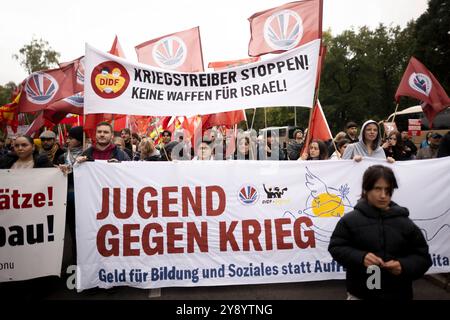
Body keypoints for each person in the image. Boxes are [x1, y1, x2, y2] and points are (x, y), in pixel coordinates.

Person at [328, 165, 432, 300]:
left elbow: (423, 258)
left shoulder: (405, 223)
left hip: (399, 293)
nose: (383, 195)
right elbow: (336, 247)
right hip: (361, 294)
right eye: (378, 189)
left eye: (388, 190)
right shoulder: (350, 221)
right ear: (366, 189)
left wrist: (404, 266)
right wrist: (360, 257)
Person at [56, 126, 84, 263]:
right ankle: (75, 261)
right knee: (72, 231)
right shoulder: (62, 156)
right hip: (68, 201)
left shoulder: (88, 156)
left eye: (71, 138)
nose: (68, 141)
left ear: (79, 140)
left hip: (85, 202)